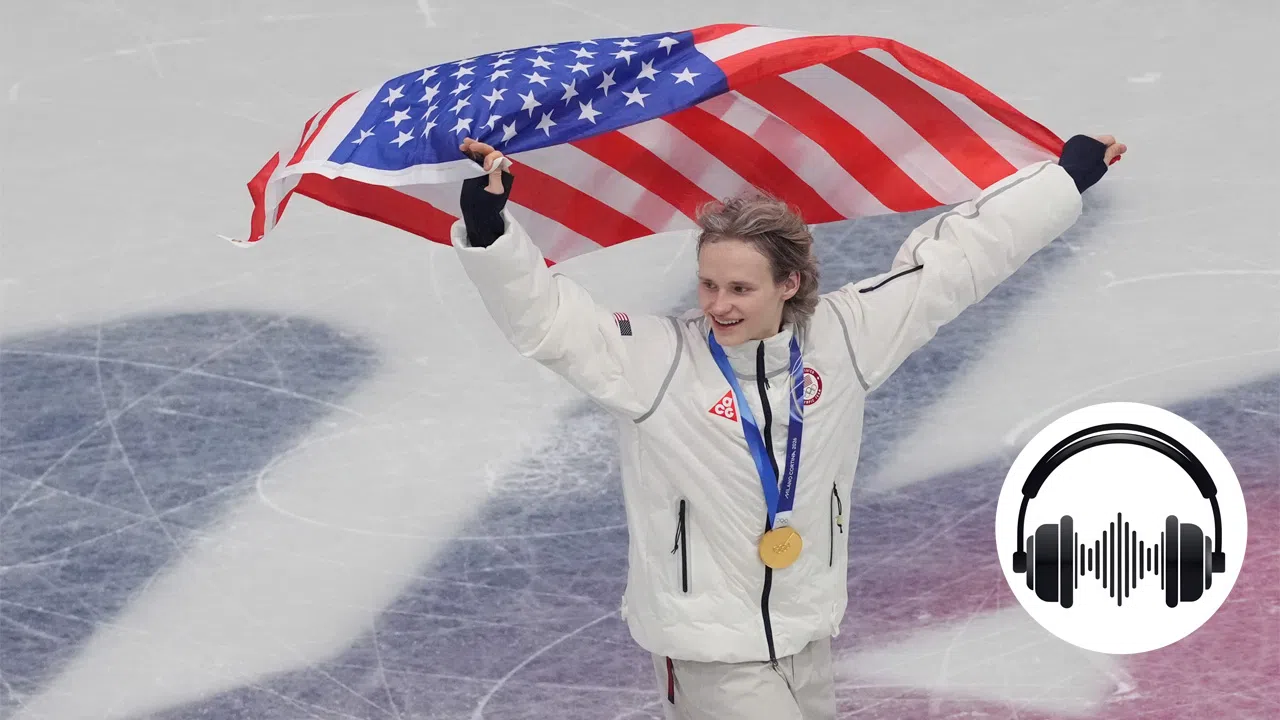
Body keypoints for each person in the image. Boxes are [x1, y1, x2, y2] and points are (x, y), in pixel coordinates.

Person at [450, 133, 1127, 719]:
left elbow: (954, 264)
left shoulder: (844, 336)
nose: (717, 305)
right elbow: (550, 322)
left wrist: (1063, 179)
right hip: (710, 649)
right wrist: (490, 231)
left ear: (790, 284)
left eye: (740, 289)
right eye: (708, 284)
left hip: (807, 634)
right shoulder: (657, 360)